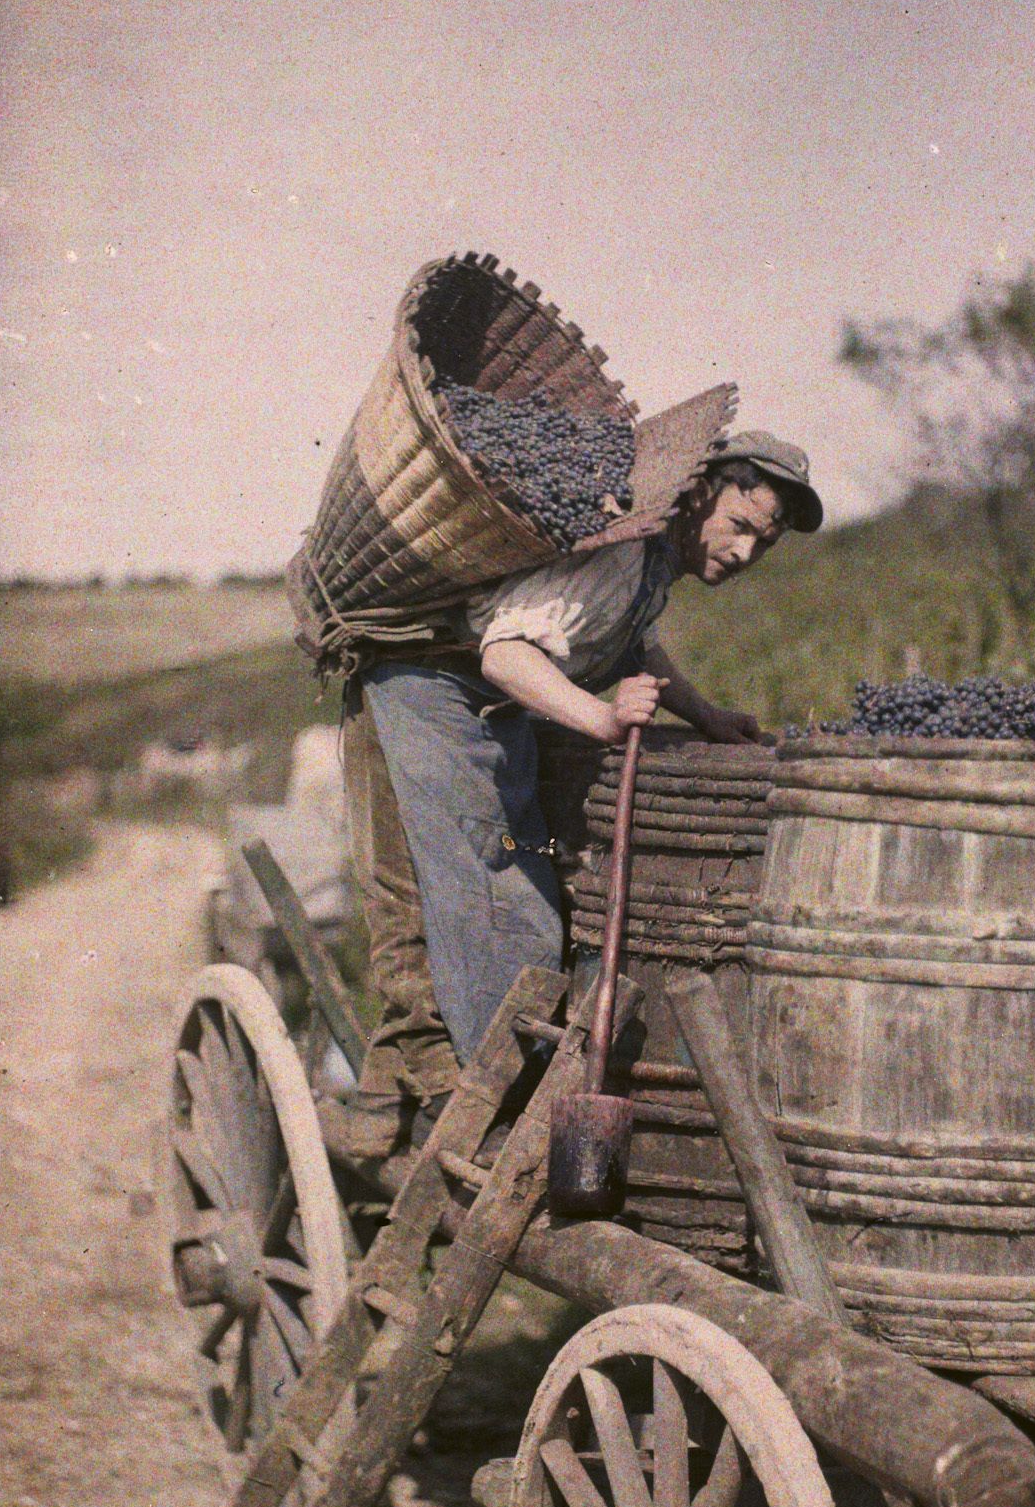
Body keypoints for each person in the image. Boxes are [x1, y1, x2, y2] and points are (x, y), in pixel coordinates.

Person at [324, 431, 824, 1162]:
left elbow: (630, 639)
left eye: (765, 542)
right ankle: (450, 1108)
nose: (746, 551)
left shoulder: (650, 566)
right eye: (740, 525)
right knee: (472, 901)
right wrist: (602, 719)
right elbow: (506, 655)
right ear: (697, 495)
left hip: (478, 712)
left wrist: (705, 714)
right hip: (421, 689)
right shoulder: (622, 556)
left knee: (489, 901)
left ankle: (382, 1106)